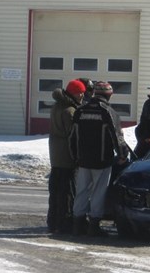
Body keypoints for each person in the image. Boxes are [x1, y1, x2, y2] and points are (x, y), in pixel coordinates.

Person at [69, 81, 129, 236]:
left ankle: (77, 224)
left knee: (81, 191)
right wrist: (122, 155)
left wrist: (75, 156)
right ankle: (94, 226)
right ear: (109, 95)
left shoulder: (80, 111)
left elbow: (72, 137)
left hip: (83, 160)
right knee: (98, 193)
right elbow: (117, 137)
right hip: (102, 160)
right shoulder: (109, 112)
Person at [46, 79, 86, 234]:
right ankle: (64, 223)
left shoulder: (56, 106)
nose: (82, 95)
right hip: (66, 156)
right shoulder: (70, 111)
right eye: (80, 93)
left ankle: (53, 221)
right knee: (67, 192)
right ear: (74, 93)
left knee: (55, 191)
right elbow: (73, 134)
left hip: (56, 155)